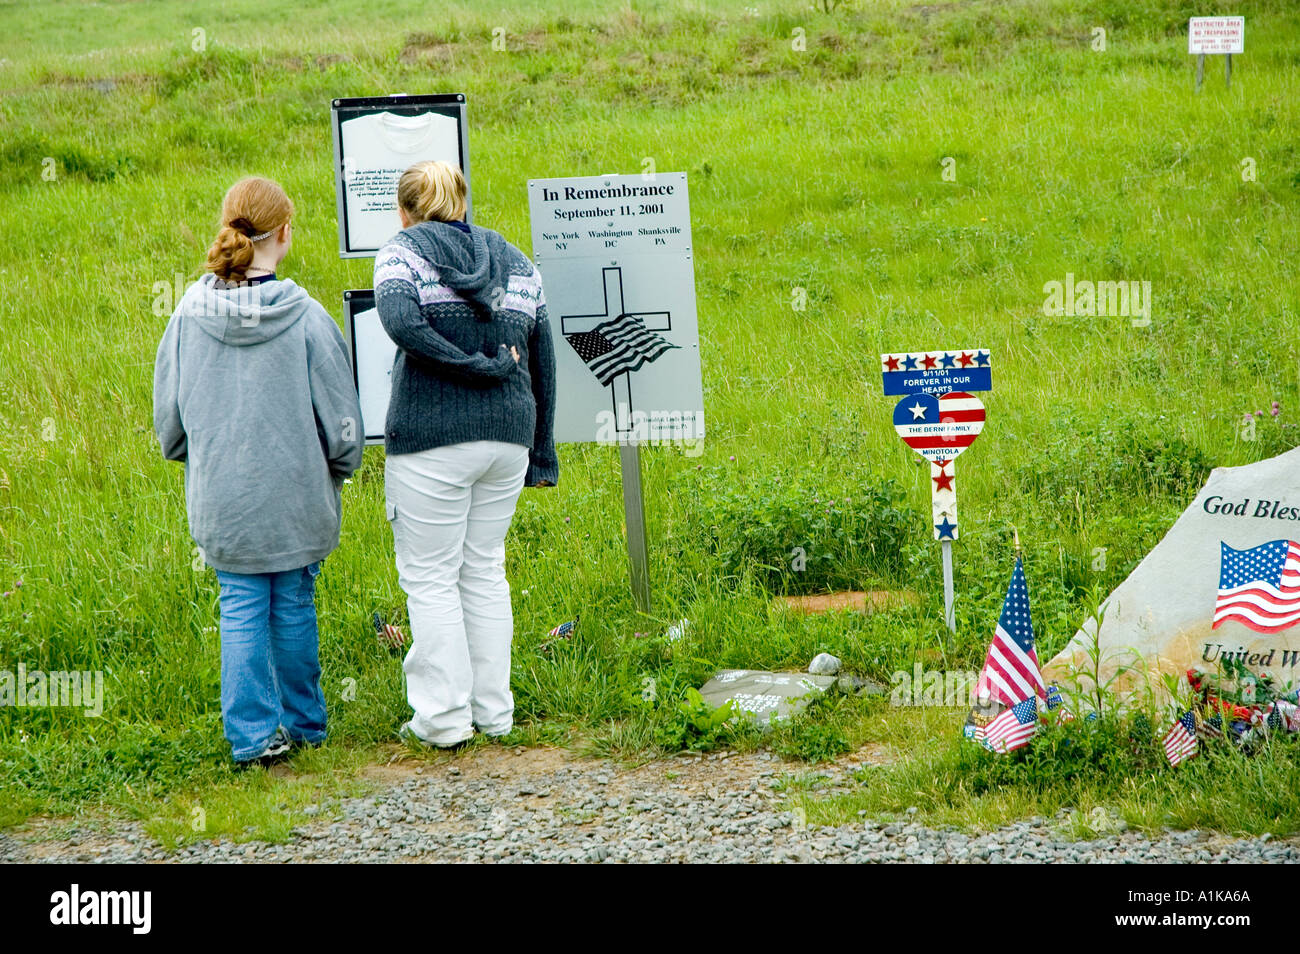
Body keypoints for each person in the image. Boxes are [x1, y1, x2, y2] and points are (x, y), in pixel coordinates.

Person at [153, 176, 364, 765]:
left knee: (241, 602)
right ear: (285, 234)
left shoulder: (187, 317)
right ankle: (306, 726)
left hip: (223, 496)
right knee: (294, 601)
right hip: (297, 495)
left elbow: (169, 419)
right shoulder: (307, 318)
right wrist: (340, 469)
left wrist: (191, 458)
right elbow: (342, 417)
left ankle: (252, 739)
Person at [374, 159, 557, 749]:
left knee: (430, 579)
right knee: (483, 570)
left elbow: (401, 321)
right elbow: (544, 358)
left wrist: (467, 365)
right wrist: (543, 449)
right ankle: (495, 713)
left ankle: (443, 721)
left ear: (404, 210)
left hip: (432, 436)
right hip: (509, 436)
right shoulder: (516, 259)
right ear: (462, 202)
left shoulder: (401, 253)